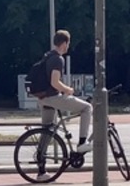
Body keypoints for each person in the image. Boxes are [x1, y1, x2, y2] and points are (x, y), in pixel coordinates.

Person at [36, 30, 93, 172]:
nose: (68, 47)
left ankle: (41, 169)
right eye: (68, 43)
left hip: (43, 98)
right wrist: (67, 90)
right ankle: (82, 142)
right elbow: (54, 82)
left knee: (47, 130)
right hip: (53, 97)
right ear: (64, 43)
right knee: (87, 108)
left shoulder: (48, 56)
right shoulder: (58, 59)